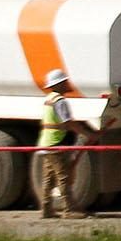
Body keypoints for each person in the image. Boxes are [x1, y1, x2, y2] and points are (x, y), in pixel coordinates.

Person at [36, 68, 97, 218]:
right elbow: (69, 123)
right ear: (59, 84)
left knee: (49, 178)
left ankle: (46, 208)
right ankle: (68, 210)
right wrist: (87, 134)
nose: (66, 84)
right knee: (63, 177)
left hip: (47, 143)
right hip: (57, 143)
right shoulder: (60, 102)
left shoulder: (49, 99)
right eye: (64, 82)